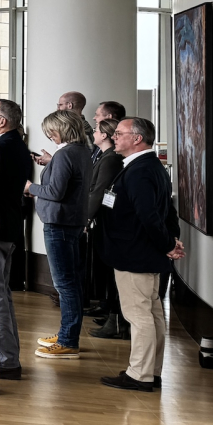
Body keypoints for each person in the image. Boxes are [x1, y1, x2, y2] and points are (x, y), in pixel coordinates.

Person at [99, 117, 184, 392]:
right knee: (152, 313)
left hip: (135, 254)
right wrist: (171, 240)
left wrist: (168, 245)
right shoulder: (149, 166)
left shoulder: (140, 171)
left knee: (139, 315)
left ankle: (140, 374)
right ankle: (151, 371)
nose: (114, 137)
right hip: (145, 253)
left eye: (120, 133)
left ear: (137, 139)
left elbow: (149, 215)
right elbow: (167, 212)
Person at [26, 109, 90, 360]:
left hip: (59, 223)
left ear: (61, 129)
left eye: (51, 131)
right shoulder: (81, 151)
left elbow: (54, 192)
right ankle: (67, 333)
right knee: (70, 282)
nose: (50, 135)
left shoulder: (66, 154)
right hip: (71, 222)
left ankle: (68, 340)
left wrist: (31, 187)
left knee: (65, 284)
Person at [0, 98, 32, 380]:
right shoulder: (13, 146)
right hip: (7, 228)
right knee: (1, 295)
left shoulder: (4, 148)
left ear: (3, 120)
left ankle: (5, 359)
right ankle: (8, 356)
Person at [87, 118, 129, 340]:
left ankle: (116, 320)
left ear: (104, 135)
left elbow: (99, 191)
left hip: (107, 221)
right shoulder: (106, 157)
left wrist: (86, 218)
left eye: (96, 130)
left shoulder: (110, 159)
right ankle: (112, 317)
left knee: (110, 272)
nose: (93, 133)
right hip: (104, 220)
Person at [35, 91, 90, 166]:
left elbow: (85, 161)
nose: (58, 108)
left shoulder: (81, 129)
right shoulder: (79, 126)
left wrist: (53, 161)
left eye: (60, 105)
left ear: (70, 105)